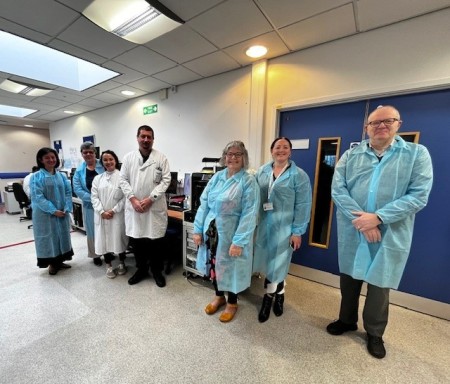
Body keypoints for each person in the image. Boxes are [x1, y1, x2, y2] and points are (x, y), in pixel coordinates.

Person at [326, 105, 433, 359]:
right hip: (354, 231)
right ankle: (347, 320)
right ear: (367, 128)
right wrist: (363, 222)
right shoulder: (351, 156)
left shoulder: (416, 154)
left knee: (379, 287)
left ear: (399, 124)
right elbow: (338, 190)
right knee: (349, 282)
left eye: (388, 121)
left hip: (389, 233)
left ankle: (374, 333)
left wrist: (378, 218)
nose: (381, 126)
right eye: (375, 123)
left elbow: (419, 196)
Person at [193, 141, 259, 323]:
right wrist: (198, 229)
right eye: (229, 154)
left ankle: (232, 302)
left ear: (244, 158)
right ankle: (219, 296)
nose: (233, 157)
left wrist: (238, 241)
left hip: (232, 233)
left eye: (238, 154)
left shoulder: (248, 181)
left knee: (232, 268)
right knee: (215, 265)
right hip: (213, 232)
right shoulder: (217, 177)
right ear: (224, 157)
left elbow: (250, 213)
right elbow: (204, 203)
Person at [253, 137, 312, 323]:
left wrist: (297, 231)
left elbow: (303, 205)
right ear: (271, 150)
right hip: (264, 226)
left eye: (285, 147)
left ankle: (268, 299)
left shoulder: (299, 175)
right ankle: (281, 293)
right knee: (270, 263)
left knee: (278, 264)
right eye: (277, 147)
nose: (281, 150)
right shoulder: (262, 171)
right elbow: (254, 196)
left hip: (285, 229)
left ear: (290, 152)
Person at [120, 125, 171, 288]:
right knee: (138, 242)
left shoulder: (161, 158)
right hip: (135, 208)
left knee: (155, 243)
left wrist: (151, 199)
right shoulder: (128, 158)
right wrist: (133, 199)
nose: (146, 140)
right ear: (137, 138)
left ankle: (157, 272)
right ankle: (141, 270)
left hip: (154, 208)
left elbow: (166, 180)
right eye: (143, 136)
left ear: (153, 139)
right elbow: (123, 180)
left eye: (149, 137)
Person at [30, 148, 74, 275]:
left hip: (62, 213)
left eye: (53, 157)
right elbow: (38, 197)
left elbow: (67, 192)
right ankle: (52, 264)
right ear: (41, 160)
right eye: (47, 158)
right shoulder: (36, 177)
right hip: (45, 215)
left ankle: (60, 261)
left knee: (62, 236)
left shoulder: (61, 175)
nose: (51, 160)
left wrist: (66, 207)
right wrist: (53, 210)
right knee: (49, 238)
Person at [91, 150, 128, 279]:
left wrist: (114, 210)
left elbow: (125, 197)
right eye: (105, 160)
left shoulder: (123, 177)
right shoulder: (97, 179)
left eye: (111, 159)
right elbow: (94, 197)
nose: (108, 162)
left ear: (115, 160)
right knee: (104, 242)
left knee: (120, 240)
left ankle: (122, 263)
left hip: (117, 215)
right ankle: (109, 266)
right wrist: (102, 211)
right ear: (102, 163)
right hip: (102, 216)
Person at [73, 142, 104, 266]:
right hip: (90, 206)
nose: (88, 154)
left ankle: (108, 251)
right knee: (92, 231)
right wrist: (94, 199)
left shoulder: (103, 165)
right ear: (82, 154)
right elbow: (78, 189)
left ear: (95, 153)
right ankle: (95, 254)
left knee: (106, 229)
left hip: (106, 203)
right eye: (85, 152)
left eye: (91, 152)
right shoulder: (79, 171)